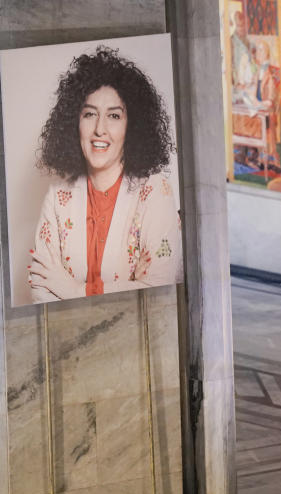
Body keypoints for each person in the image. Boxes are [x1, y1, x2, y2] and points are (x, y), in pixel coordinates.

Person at [29, 46, 181, 302]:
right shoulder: (57, 197)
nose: (100, 129)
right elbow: (39, 289)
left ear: (131, 126)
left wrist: (78, 291)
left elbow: (159, 287)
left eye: (113, 116)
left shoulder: (155, 191)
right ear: (74, 123)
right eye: (89, 114)